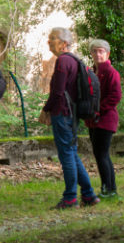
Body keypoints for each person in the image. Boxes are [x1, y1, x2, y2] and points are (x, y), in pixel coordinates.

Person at [38, 27, 100, 209]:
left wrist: (46, 110)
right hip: (71, 114)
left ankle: (71, 198)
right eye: (49, 38)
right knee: (71, 153)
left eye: (53, 38)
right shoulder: (74, 60)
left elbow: (58, 91)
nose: (49, 42)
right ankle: (88, 195)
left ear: (64, 43)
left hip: (63, 114)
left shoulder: (63, 62)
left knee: (67, 155)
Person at [85, 39, 122, 198]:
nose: (98, 54)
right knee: (101, 154)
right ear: (91, 54)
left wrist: (98, 110)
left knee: (101, 154)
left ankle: (108, 189)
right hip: (93, 120)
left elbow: (115, 96)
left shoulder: (112, 73)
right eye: (95, 51)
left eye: (101, 51)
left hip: (105, 119)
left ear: (107, 54)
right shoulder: (92, 72)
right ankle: (110, 188)